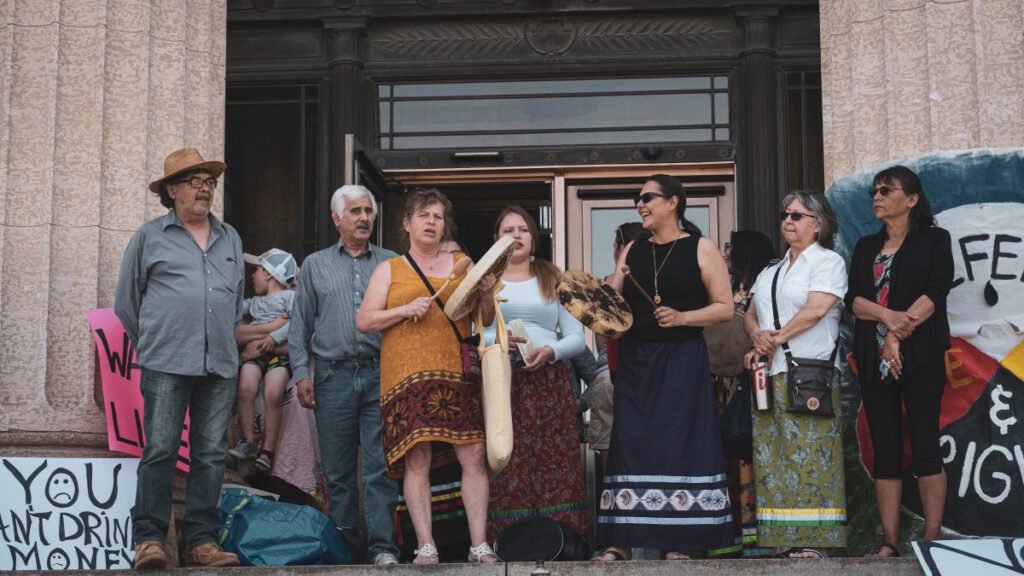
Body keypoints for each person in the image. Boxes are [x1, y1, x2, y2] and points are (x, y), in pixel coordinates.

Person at [114, 147, 242, 568]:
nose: (205, 188)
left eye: (210, 182)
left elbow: (236, 302)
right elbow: (127, 305)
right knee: (161, 450)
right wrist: (155, 342)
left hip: (220, 363)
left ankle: (200, 542)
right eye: (194, 181)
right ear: (172, 190)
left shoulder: (231, 237)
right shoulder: (149, 236)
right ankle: (149, 539)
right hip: (166, 362)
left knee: (210, 455)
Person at [596, 174, 734, 561]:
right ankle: (620, 542)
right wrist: (585, 298)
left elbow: (725, 307)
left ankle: (680, 543)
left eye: (647, 198)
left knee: (681, 444)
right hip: (638, 361)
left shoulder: (700, 247)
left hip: (682, 360)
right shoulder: (634, 249)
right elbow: (610, 303)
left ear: (673, 202)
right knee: (631, 444)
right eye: (637, 199)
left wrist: (684, 317)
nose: (640, 204)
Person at [357, 189, 497, 564]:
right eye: (424, 216)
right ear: (407, 224)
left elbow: (484, 322)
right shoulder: (390, 269)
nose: (432, 222)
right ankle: (425, 544)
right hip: (406, 376)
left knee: (474, 454)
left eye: (438, 217)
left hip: (456, 373)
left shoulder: (462, 264)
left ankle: (479, 544)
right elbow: (364, 321)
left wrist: (485, 296)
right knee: (417, 458)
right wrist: (403, 309)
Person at [288, 185, 401, 566]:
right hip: (332, 376)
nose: (365, 217)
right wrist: (302, 373)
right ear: (337, 219)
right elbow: (298, 326)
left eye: (368, 210)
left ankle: (383, 547)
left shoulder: (392, 263)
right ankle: (346, 549)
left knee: (379, 467)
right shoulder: (316, 264)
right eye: (355, 211)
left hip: (380, 373)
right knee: (337, 471)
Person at [845, 166, 952, 557]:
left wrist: (895, 333)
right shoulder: (863, 247)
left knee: (925, 442)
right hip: (874, 360)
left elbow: (936, 291)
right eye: (874, 190)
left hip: (920, 357)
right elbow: (853, 301)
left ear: (911, 199)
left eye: (886, 190)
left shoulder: (934, 240)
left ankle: (933, 539)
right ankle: (890, 541)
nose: (877, 195)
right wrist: (887, 319)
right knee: (885, 447)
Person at [743, 191, 847, 558]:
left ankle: (815, 541)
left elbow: (817, 309)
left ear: (818, 225)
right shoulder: (771, 269)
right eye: (786, 214)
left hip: (811, 369)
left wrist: (774, 339)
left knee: (813, 452)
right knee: (775, 455)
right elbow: (750, 311)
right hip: (772, 374)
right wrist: (757, 335)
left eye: (798, 216)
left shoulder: (828, 262)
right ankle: (783, 539)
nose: (788, 221)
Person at [481, 206, 589, 541]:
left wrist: (551, 351)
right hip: (503, 380)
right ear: (496, 239)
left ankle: (563, 537)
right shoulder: (486, 280)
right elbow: (472, 333)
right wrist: (498, 341)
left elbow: (577, 337)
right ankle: (510, 538)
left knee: (556, 459)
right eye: (508, 230)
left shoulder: (553, 276)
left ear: (533, 236)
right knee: (507, 458)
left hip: (549, 380)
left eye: (523, 229)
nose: (516, 236)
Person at [704, 230, 775, 558]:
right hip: (720, 387)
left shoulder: (766, 285)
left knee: (751, 455)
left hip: (753, 384)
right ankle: (727, 538)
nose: (726, 251)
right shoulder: (725, 288)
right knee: (726, 458)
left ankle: (757, 540)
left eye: (732, 246)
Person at [228, 248, 297, 474]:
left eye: (257, 270)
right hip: (255, 353)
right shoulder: (254, 302)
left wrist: (273, 338)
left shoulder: (291, 298)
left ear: (269, 273)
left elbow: (298, 325)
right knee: (246, 387)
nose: (252, 275)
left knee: (273, 393)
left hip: (278, 354)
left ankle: (267, 451)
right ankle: (248, 440)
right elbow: (232, 314)